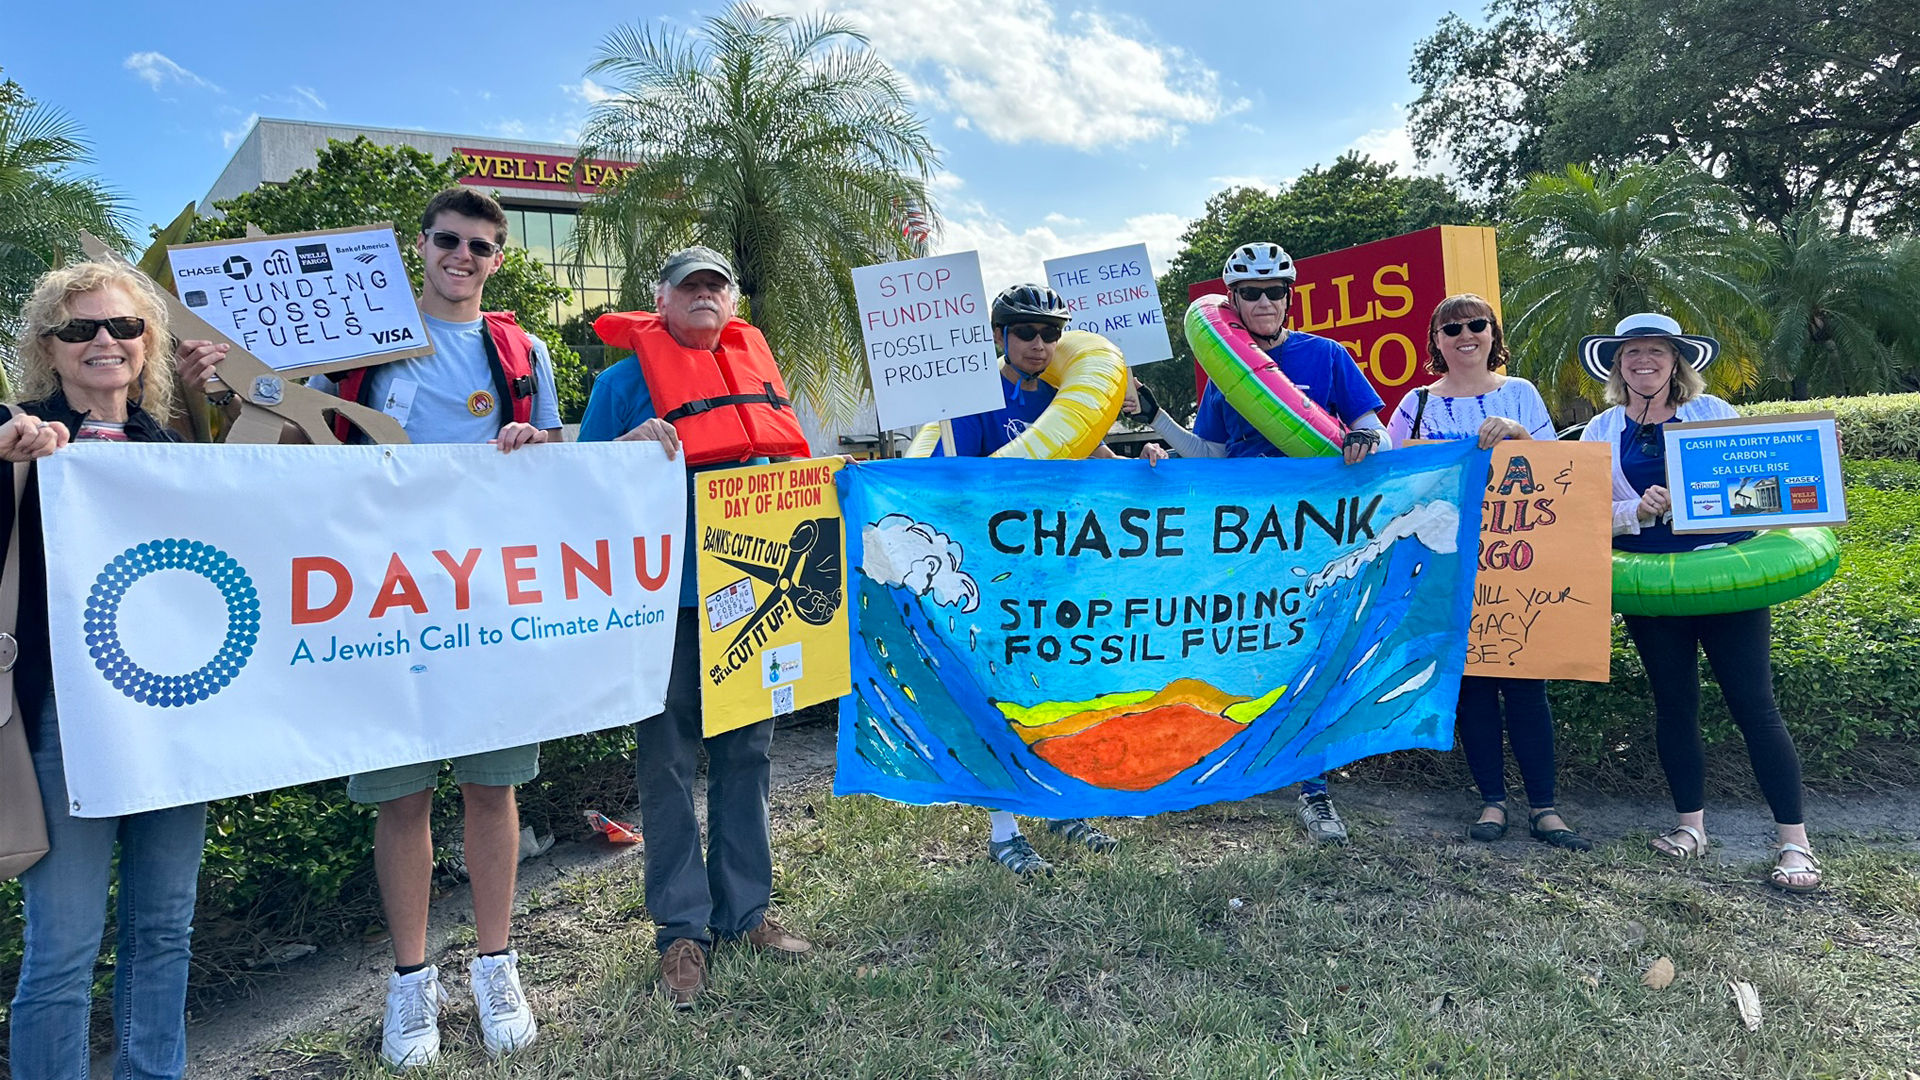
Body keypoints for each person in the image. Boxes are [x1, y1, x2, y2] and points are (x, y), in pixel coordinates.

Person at [185, 188, 563, 1068]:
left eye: (479, 245)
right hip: (379, 597)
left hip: (487, 600)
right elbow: (279, 431)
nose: (462, 256)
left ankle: (497, 965)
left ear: (498, 258)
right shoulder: (355, 342)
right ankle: (410, 981)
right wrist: (220, 381)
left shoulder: (523, 350)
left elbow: (552, 464)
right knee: (401, 795)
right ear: (418, 247)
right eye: (447, 240)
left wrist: (531, 445)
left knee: (493, 788)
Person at [3, 261, 226, 1080]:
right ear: (49, 349)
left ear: (147, 344)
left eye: (124, 326)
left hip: (173, 719)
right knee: (62, 951)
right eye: (80, 328)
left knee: (165, 931)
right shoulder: (21, 435)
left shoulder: (169, 446)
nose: (105, 340)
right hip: (64, 720)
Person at [577, 246, 814, 1010]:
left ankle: (746, 912)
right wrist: (624, 448)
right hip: (665, 605)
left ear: (733, 302)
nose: (704, 297)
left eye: (717, 287)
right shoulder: (620, 384)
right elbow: (578, 487)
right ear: (662, 299)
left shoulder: (765, 380)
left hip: (751, 599)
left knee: (748, 755)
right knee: (668, 765)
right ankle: (682, 931)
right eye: (690, 288)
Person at [1125, 241, 1392, 845]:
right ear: (1234, 302)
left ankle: (1315, 791)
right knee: (1243, 645)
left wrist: (1363, 440)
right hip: (1248, 531)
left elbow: (1376, 433)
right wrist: (1156, 422)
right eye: (1251, 293)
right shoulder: (1226, 373)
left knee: (1315, 651)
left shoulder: (1326, 356)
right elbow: (1210, 455)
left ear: (1289, 297)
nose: (1265, 301)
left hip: (1318, 529)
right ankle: (1230, 769)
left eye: (1275, 290)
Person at [1578, 312, 1820, 892]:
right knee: (1674, 704)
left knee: (1755, 707)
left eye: (1656, 352)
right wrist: (1634, 512)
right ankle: (1691, 828)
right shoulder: (1600, 430)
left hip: (1726, 576)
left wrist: (1812, 463)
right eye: (1632, 352)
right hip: (1651, 582)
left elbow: (1761, 479)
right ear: (1617, 363)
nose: (1644, 362)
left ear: (1676, 360)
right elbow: (1582, 512)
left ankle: (1795, 842)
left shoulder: (1713, 415)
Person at [932, 283, 1123, 876]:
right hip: (997, 571)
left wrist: (1149, 463)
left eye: (1050, 333)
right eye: (1026, 333)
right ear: (1000, 337)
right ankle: (1003, 830)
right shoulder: (972, 399)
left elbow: (1100, 465)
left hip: (1061, 567)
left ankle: (1064, 807)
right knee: (1001, 695)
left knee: (1062, 689)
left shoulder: (1068, 396)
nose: (1040, 345)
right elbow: (950, 478)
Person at [1387, 295, 1589, 851]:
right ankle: (1492, 801)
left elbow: (1558, 471)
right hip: (1448, 568)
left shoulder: (1520, 394)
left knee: (1528, 689)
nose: (1465, 335)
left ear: (1492, 333)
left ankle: (1546, 807)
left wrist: (1521, 437)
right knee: (1471, 689)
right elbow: (1394, 481)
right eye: (1451, 328)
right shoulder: (1415, 406)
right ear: (1436, 340)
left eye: (1477, 325)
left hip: (1518, 566)